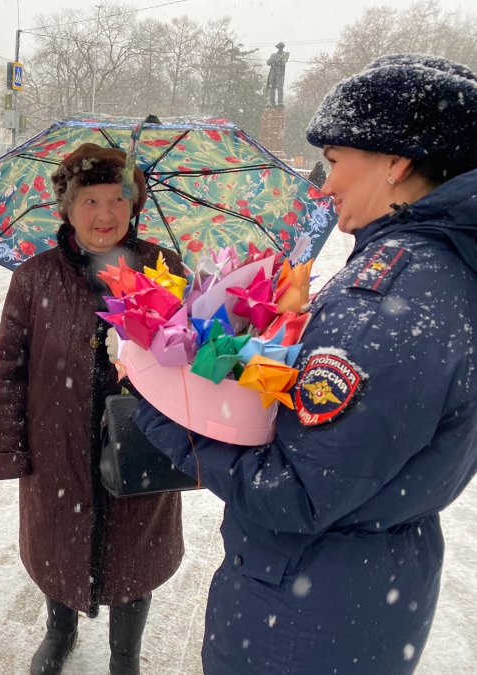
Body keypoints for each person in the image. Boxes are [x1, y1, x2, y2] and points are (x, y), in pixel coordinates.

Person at [132, 54, 477, 675]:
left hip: (303, 610)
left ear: (395, 164)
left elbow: (291, 493)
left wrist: (160, 411)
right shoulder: (443, 270)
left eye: (336, 162)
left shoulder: (387, 298)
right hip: (366, 588)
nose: (323, 185)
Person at [0, 143, 185, 675]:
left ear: (135, 204)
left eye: (118, 199)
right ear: (68, 208)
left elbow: (196, 358)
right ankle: (60, 630)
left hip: (142, 439)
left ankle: (126, 655)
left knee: (135, 552)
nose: (105, 214)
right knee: (59, 544)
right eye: (90, 200)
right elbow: (10, 367)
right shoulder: (34, 278)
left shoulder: (163, 268)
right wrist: (10, 449)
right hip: (58, 442)